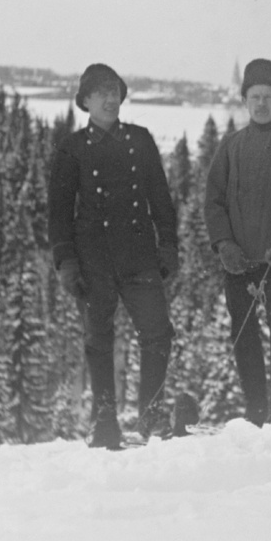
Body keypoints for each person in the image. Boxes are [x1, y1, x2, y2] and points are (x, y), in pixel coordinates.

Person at [48, 63, 180, 450]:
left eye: (115, 91)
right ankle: (103, 421)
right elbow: (58, 214)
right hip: (94, 261)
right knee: (98, 339)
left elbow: (161, 200)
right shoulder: (71, 149)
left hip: (140, 258)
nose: (110, 98)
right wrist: (66, 262)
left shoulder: (140, 141)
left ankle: (152, 416)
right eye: (100, 92)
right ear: (85, 100)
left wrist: (168, 246)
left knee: (157, 333)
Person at [204, 58, 271, 428]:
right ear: (245, 100)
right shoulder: (231, 146)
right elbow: (213, 200)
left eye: (268, 96)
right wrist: (224, 245)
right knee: (244, 335)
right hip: (239, 264)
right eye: (255, 96)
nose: (262, 103)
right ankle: (254, 412)